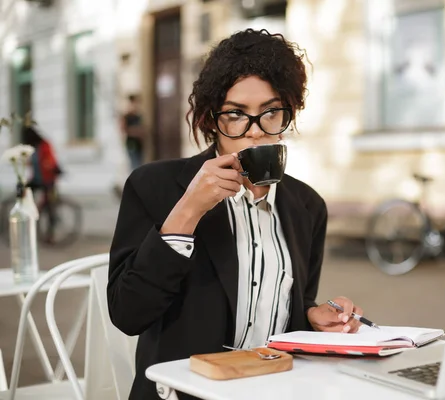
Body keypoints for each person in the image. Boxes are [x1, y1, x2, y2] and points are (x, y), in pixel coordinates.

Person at [108, 29, 365, 400]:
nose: (255, 133)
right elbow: (128, 314)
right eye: (236, 115)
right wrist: (189, 210)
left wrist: (310, 316)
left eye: (271, 113)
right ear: (212, 120)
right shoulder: (157, 186)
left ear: (288, 114)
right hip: (184, 392)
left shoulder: (307, 206)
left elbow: (286, 309)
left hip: (277, 388)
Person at [21, 125, 61, 243]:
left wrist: (48, 166)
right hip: (37, 180)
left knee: (49, 208)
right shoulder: (31, 148)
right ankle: (28, 221)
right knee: (25, 197)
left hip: (48, 179)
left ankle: (50, 235)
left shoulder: (44, 145)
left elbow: (51, 160)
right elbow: (31, 164)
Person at [120, 94, 145, 171]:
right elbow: (123, 129)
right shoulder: (126, 116)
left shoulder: (138, 116)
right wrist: (135, 131)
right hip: (131, 143)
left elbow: (143, 129)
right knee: (134, 164)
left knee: (139, 163)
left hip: (139, 143)